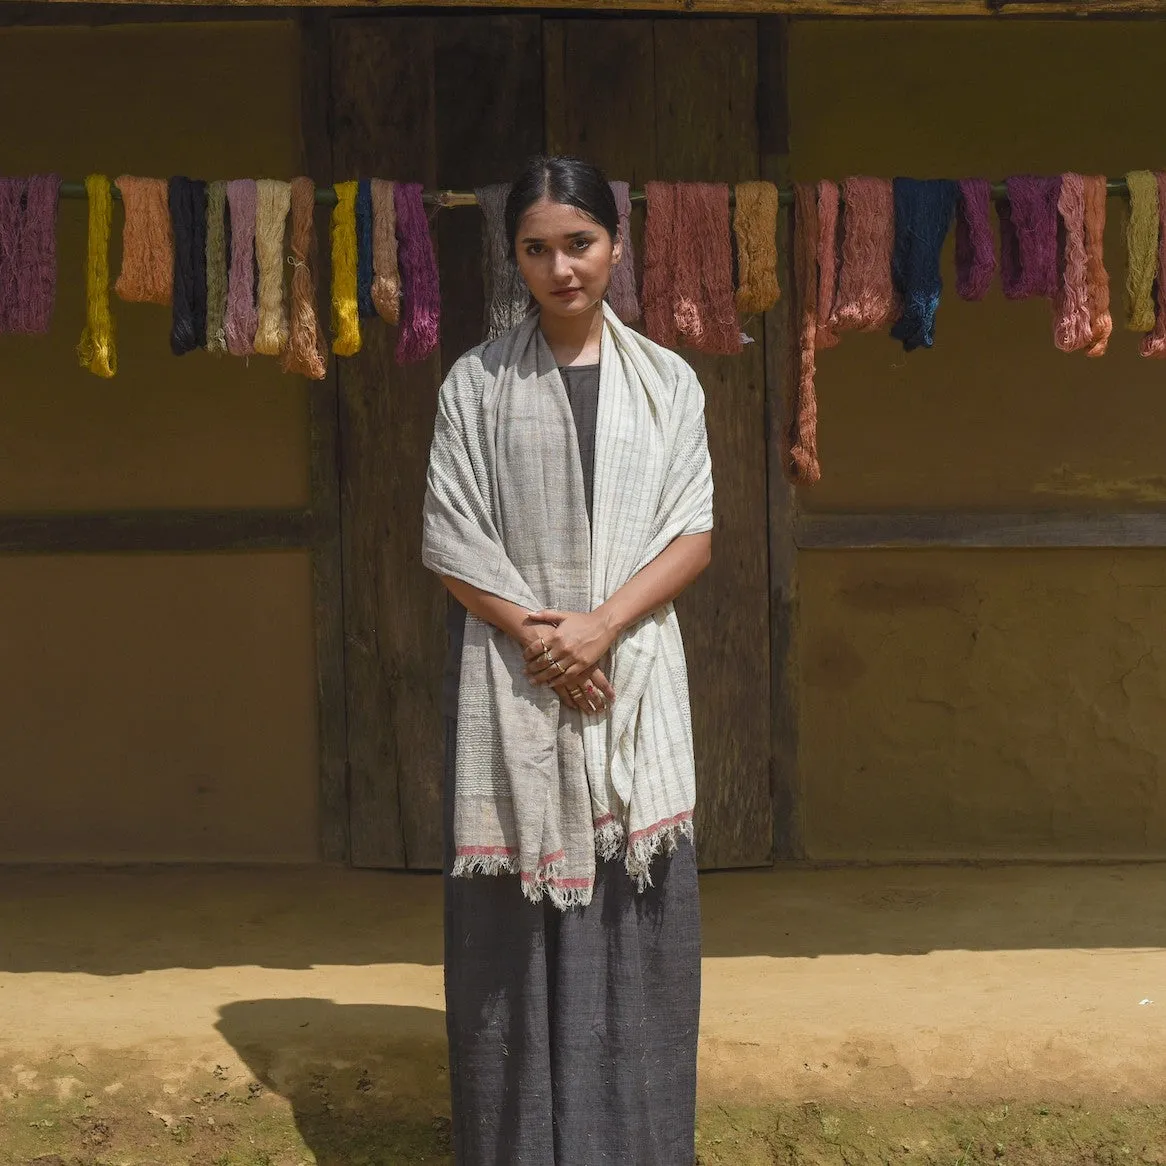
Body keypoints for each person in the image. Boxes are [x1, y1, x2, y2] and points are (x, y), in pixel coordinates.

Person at [422, 154, 714, 1166]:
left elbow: (690, 533)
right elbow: (452, 538)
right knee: (511, 942)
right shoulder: (476, 383)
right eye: (535, 248)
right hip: (512, 684)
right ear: (514, 257)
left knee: (633, 926)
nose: (560, 267)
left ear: (616, 245)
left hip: (631, 678)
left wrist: (598, 630)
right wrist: (546, 641)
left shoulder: (669, 383)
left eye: (578, 243)